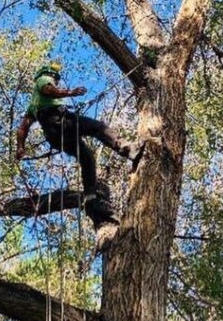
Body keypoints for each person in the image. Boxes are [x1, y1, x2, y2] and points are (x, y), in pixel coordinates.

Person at [15, 61, 142, 212]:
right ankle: (129, 150)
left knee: (86, 157)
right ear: (50, 75)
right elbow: (47, 89)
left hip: (54, 136)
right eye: (55, 80)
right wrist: (70, 92)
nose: (55, 83)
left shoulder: (33, 105)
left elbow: (22, 128)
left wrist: (20, 147)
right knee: (98, 128)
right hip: (61, 122)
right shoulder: (43, 78)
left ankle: (90, 196)